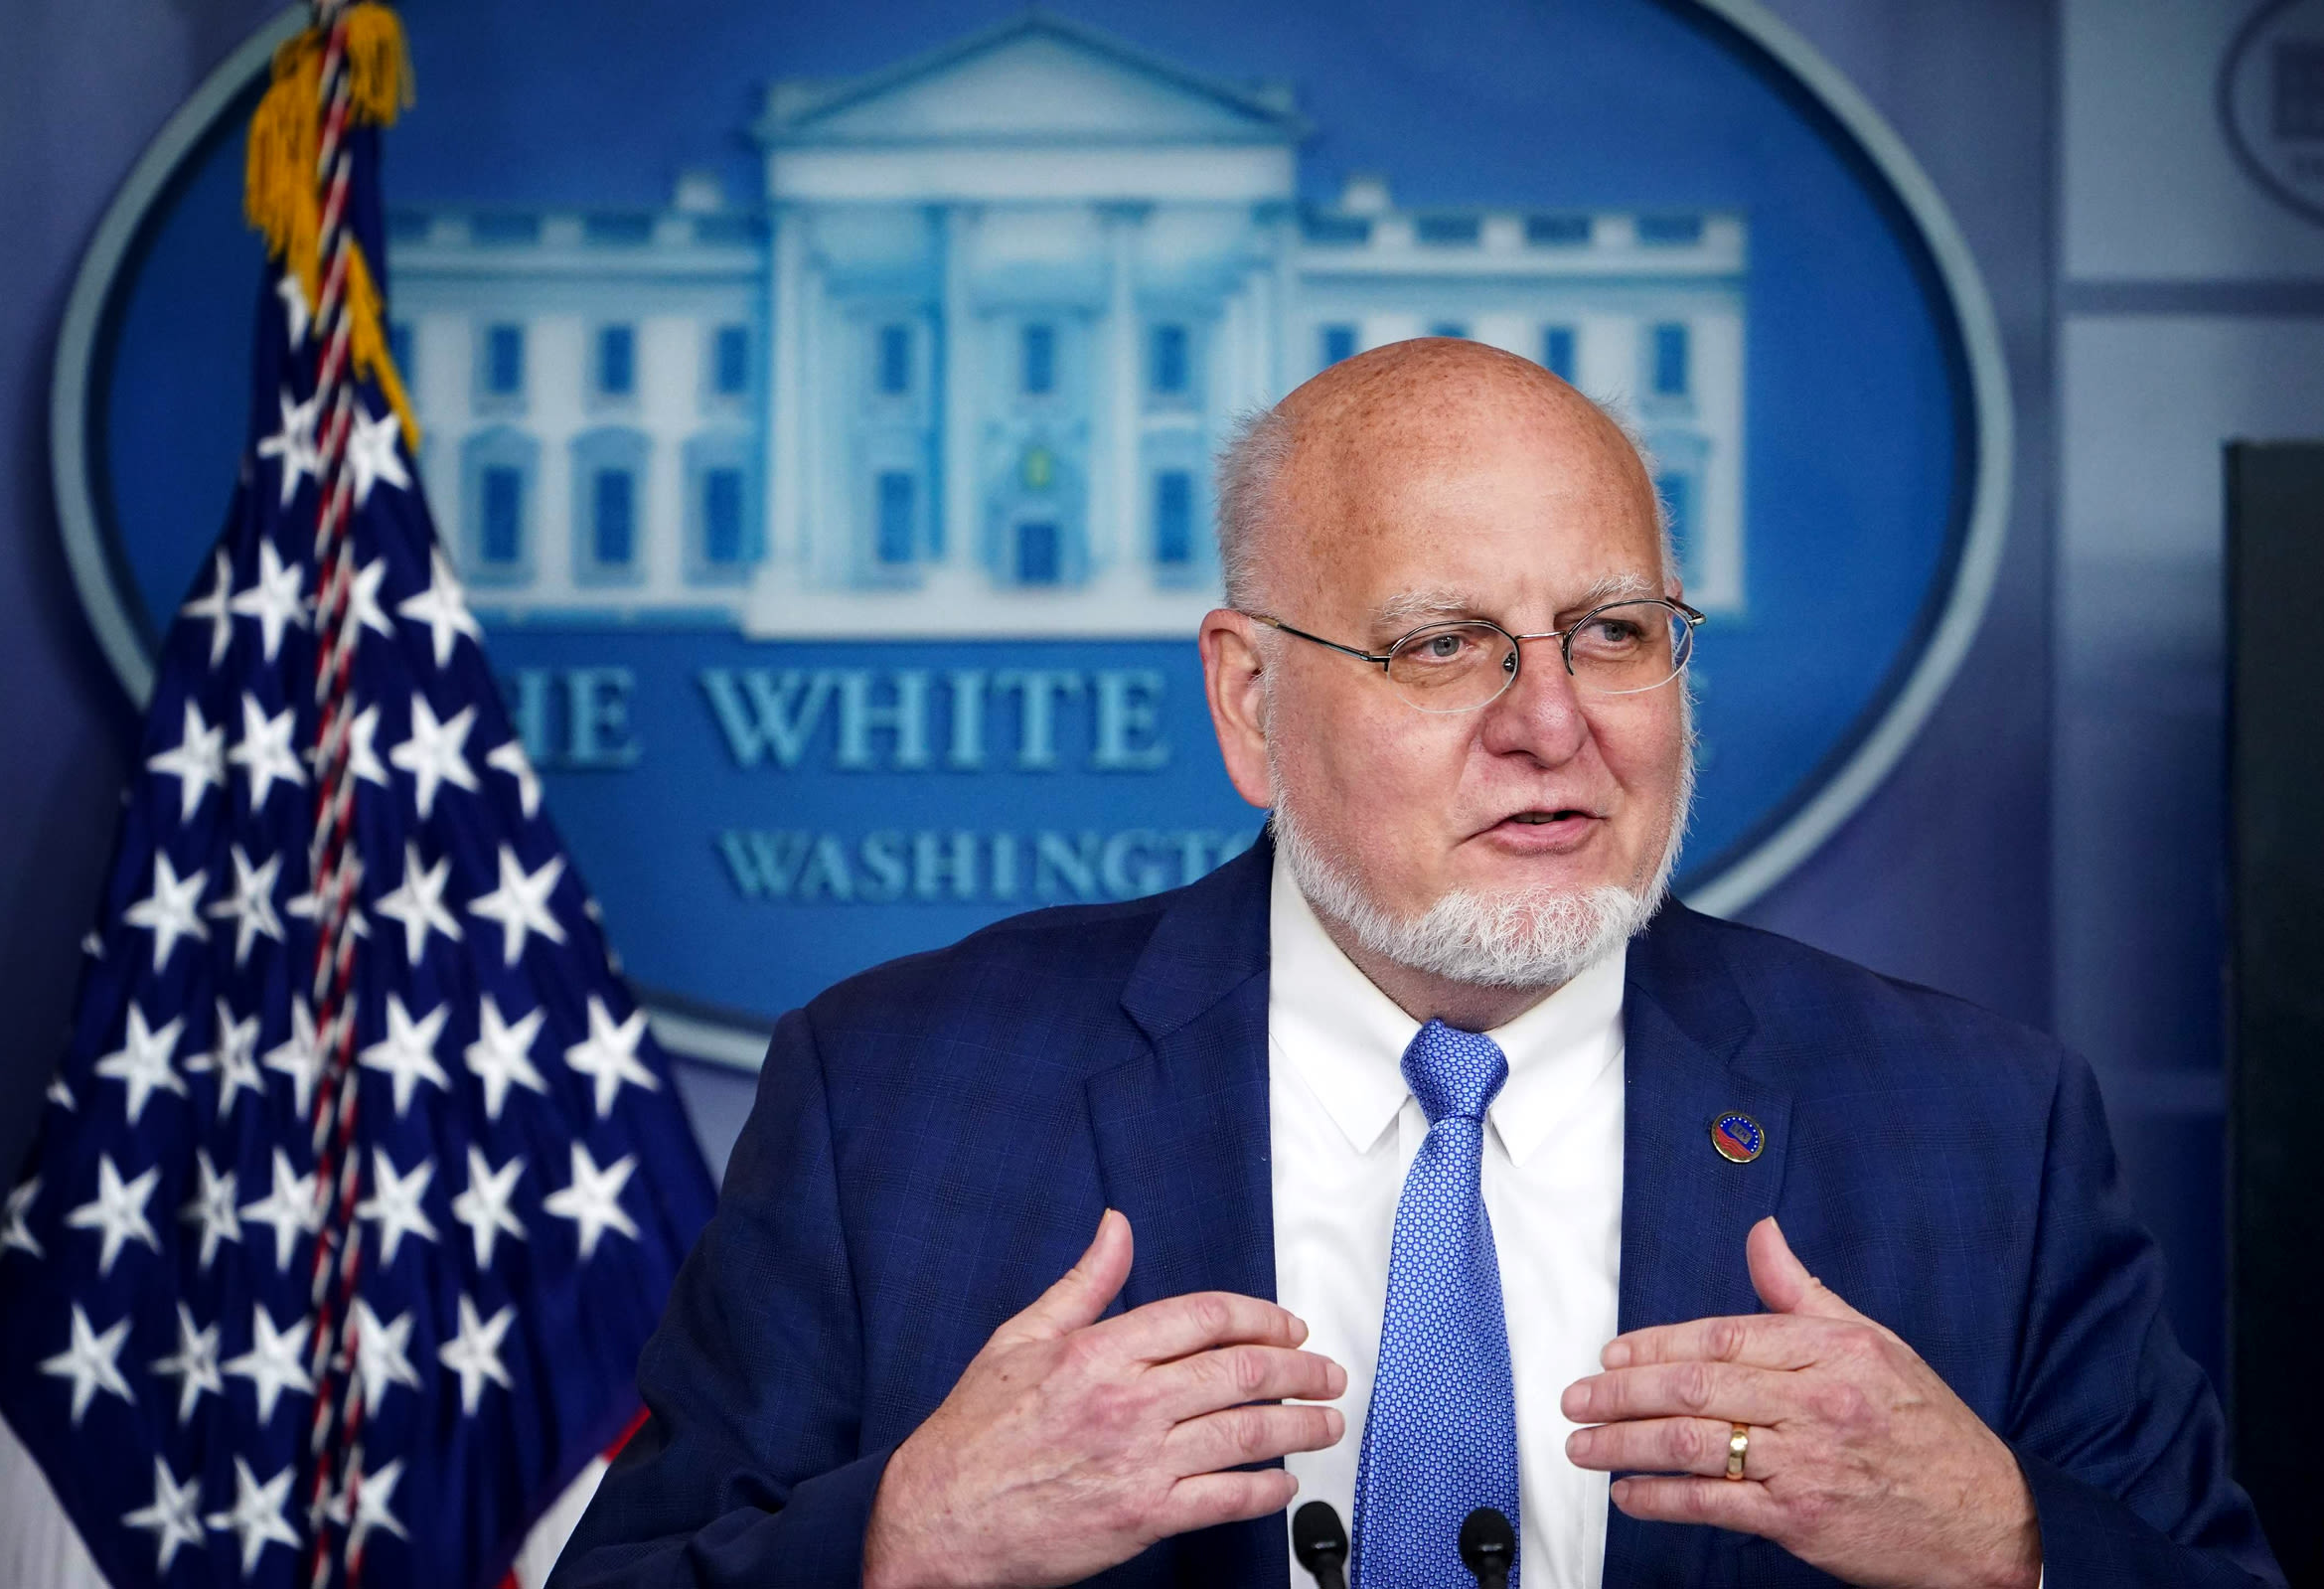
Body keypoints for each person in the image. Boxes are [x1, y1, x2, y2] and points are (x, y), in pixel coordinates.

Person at [554, 341, 2280, 1588]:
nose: (1552, 724)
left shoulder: (1981, 1125)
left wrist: (2011, 1548)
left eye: (1612, 635)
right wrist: (908, 1546)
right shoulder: (899, 1100)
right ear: (1249, 702)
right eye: (1443, 644)